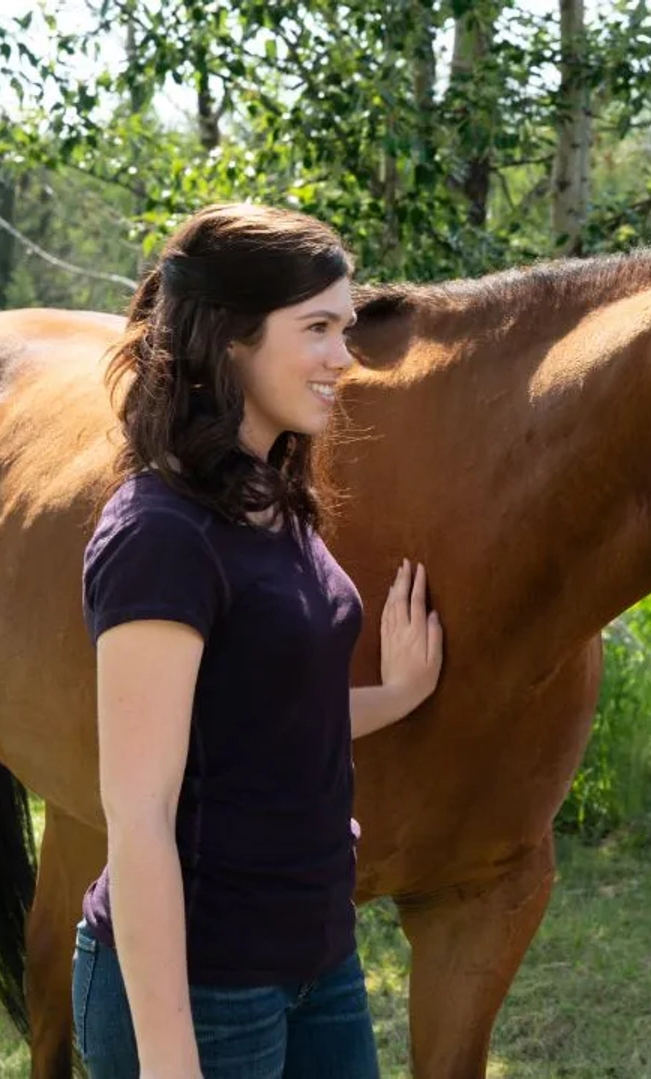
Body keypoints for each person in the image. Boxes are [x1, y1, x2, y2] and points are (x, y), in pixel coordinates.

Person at [71, 203, 444, 1078]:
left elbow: (256, 721)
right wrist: (170, 1059)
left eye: (344, 328)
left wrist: (399, 695)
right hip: (199, 986)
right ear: (231, 338)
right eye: (316, 328)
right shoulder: (161, 535)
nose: (343, 358)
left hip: (318, 961)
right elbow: (139, 814)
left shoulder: (270, 499)